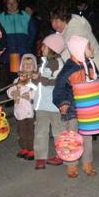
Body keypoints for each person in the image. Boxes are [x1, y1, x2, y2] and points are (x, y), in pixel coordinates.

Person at [53, 36, 99, 178]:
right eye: (89, 47)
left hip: (88, 109)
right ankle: (71, 165)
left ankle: (87, 163)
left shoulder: (91, 65)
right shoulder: (69, 69)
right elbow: (59, 89)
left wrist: (98, 85)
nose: (92, 49)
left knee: (87, 137)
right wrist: (63, 102)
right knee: (72, 138)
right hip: (72, 110)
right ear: (79, 50)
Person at [33, 33, 66, 170]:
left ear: (53, 48)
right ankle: (40, 157)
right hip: (42, 104)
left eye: (44, 46)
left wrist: (39, 78)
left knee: (58, 131)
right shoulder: (43, 62)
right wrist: (31, 78)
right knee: (40, 131)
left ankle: (61, 155)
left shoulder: (58, 63)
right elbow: (38, 82)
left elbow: (56, 81)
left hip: (55, 105)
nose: (42, 48)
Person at [50, 5, 99, 82]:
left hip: (95, 63)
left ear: (64, 19)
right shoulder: (63, 29)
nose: (54, 25)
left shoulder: (75, 27)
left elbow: (74, 51)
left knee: (95, 89)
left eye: (56, 21)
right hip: (84, 65)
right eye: (52, 21)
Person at [0, 0, 38, 86]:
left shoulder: (26, 16)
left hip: (24, 54)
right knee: (7, 81)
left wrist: (27, 47)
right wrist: (2, 49)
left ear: (17, 4)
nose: (11, 5)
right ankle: (10, 95)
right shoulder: (0, 18)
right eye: (9, 3)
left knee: (25, 79)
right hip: (7, 55)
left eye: (14, 2)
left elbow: (33, 33)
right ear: (6, 5)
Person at [7, 54, 39, 161]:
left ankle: (31, 149)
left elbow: (38, 92)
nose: (28, 66)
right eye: (25, 64)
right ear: (21, 66)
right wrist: (13, 93)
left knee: (30, 132)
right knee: (21, 131)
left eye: (30, 64)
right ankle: (24, 147)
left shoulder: (34, 80)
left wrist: (30, 95)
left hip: (30, 111)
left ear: (34, 67)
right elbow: (10, 90)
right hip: (19, 111)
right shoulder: (17, 80)